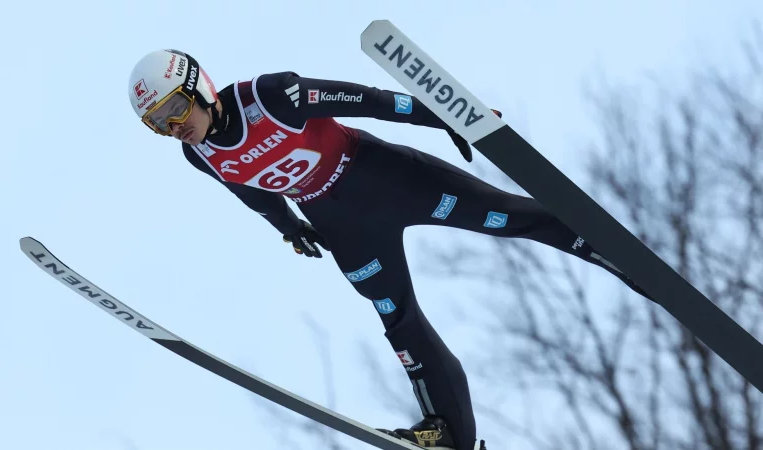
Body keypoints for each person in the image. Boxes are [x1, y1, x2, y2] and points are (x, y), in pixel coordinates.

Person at [127, 49, 653, 450]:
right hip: (344, 228)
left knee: (506, 217)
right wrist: (288, 227)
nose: (176, 127)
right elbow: (249, 192)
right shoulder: (200, 156)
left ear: (199, 87)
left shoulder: (271, 97)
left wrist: (448, 116)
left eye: (175, 108)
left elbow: (374, 102)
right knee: (397, 319)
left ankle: (603, 249)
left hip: (387, 179)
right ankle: (449, 432)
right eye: (158, 125)